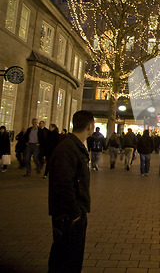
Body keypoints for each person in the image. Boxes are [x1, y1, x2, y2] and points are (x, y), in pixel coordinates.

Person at [48, 110, 94, 272]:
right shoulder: (68, 148)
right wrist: (74, 213)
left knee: (70, 254)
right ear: (90, 126)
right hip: (68, 215)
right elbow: (63, 183)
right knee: (66, 256)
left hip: (73, 211)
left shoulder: (74, 146)